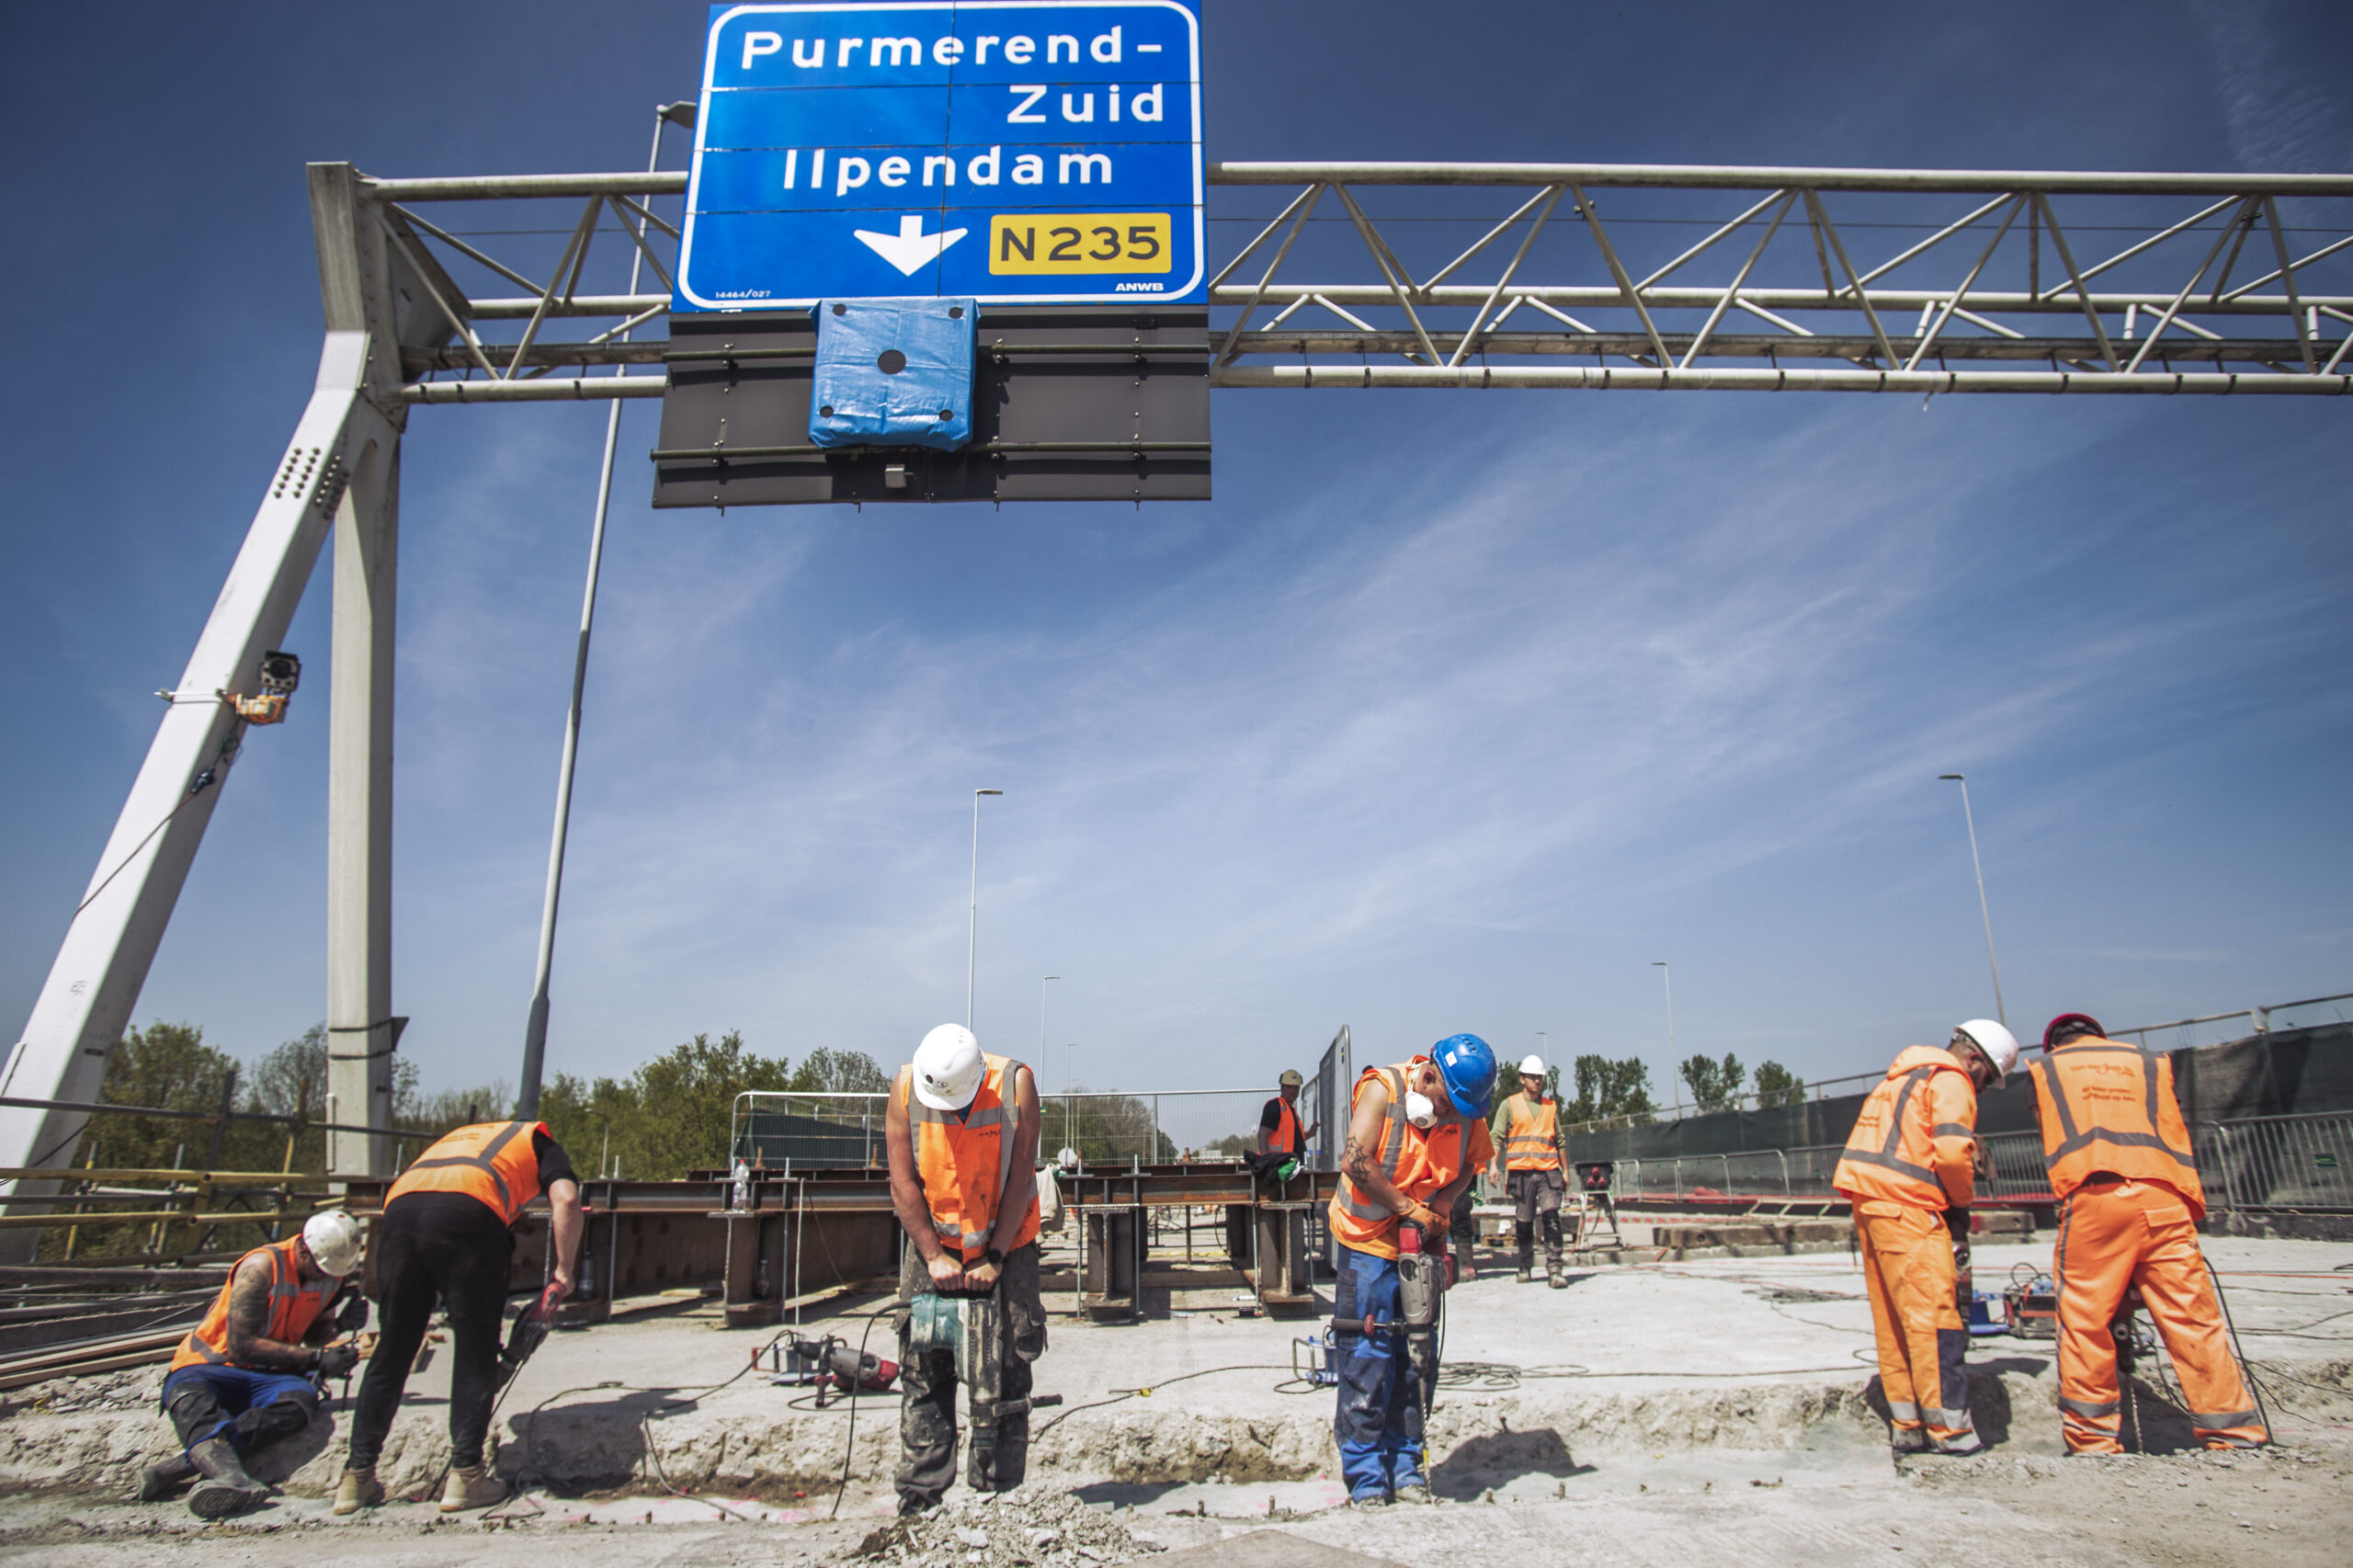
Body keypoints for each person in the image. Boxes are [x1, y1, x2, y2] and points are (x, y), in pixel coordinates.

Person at [2032, 1013, 2267, 1454]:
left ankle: (2093, 1441)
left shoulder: (2049, 1069)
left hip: (2097, 1198)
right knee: (2192, 1318)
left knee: (2084, 1320)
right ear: (2102, 1037)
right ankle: (2234, 1434)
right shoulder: (2149, 1062)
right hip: (2165, 1198)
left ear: (2054, 1045)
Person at [335, 1118, 584, 1515]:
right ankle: (467, 1476)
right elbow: (567, 1200)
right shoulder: (538, 1140)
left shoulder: (462, 1141)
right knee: (476, 1348)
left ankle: (356, 1477)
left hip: (397, 1217)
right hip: (468, 1215)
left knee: (393, 1348)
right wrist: (564, 1272)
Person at [1832, 1019, 2018, 1458]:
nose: (1984, 1090)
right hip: (1909, 1208)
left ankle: (1908, 1425)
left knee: (1895, 1324)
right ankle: (1951, 1432)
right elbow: (1953, 1154)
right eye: (1987, 1080)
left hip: (1871, 1205)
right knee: (1934, 1320)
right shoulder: (1950, 1079)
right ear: (1974, 1060)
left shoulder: (1898, 1079)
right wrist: (1962, 1201)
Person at [1327, 1033, 1497, 1507]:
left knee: (1416, 1361)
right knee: (1367, 1357)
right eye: (1444, 1106)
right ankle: (1365, 1478)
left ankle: (1407, 1467)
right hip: (1366, 1246)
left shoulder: (1467, 1111)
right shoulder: (1385, 1089)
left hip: (1418, 1247)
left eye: (1458, 1112)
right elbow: (1354, 1160)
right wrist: (1408, 1207)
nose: (1448, 1117)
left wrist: (1442, 1202)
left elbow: (1471, 1163)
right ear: (1428, 1077)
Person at [886, 1024, 1046, 1515]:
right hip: (933, 1240)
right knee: (923, 1365)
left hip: (1008, 1240)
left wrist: (995, 1256)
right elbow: (902, 1183)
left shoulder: (1014, 1083)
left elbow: (1021, 1177)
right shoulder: (906, 1089)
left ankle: (998, 1496)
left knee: (1009, 1364)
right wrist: (933, 1255)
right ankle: (921, 1498)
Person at [140, 1210, 366, 1517]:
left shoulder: (332, 1278)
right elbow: (241, 1346)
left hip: (271, 1375)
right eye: (322, 1268)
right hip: (211, 1364)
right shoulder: (261, 1267)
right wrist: (316, 1360)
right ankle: (231, 1478)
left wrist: (338, 1328)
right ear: (303, 1249)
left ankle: (186, 1469)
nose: (327, 1276)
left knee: (299, 1404)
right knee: (192, 1401)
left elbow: (315, 1334)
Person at [1488, 1053, 1569, 1287]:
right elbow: (1497, 1136)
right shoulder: (1509, 1105)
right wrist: (1493, 1165)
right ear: (1522, 1079)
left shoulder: (1550, 1107)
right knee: (1524, 1221)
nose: (1537, 1081)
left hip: (1549, 1171)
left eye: (1540, 1077)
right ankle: (1525, 1266)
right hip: (1521, 1172)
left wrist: (1565, 1171)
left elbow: (1560, 1141)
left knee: (1552, 1217)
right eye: (1533, 1077)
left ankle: (1555, 1269)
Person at [1252, 1068, 1316, 1178]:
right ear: (1282, 1088)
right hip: (1279, 1169)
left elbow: (1293, 1139)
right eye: (1290, 1087)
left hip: (1290, 1168)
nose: (1294, 1091)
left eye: (1296, 1088)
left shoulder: (1291, 1111)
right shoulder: (1275, 1106)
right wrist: (1267, 1164)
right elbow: (1262, 1135)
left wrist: (1310, 1133)